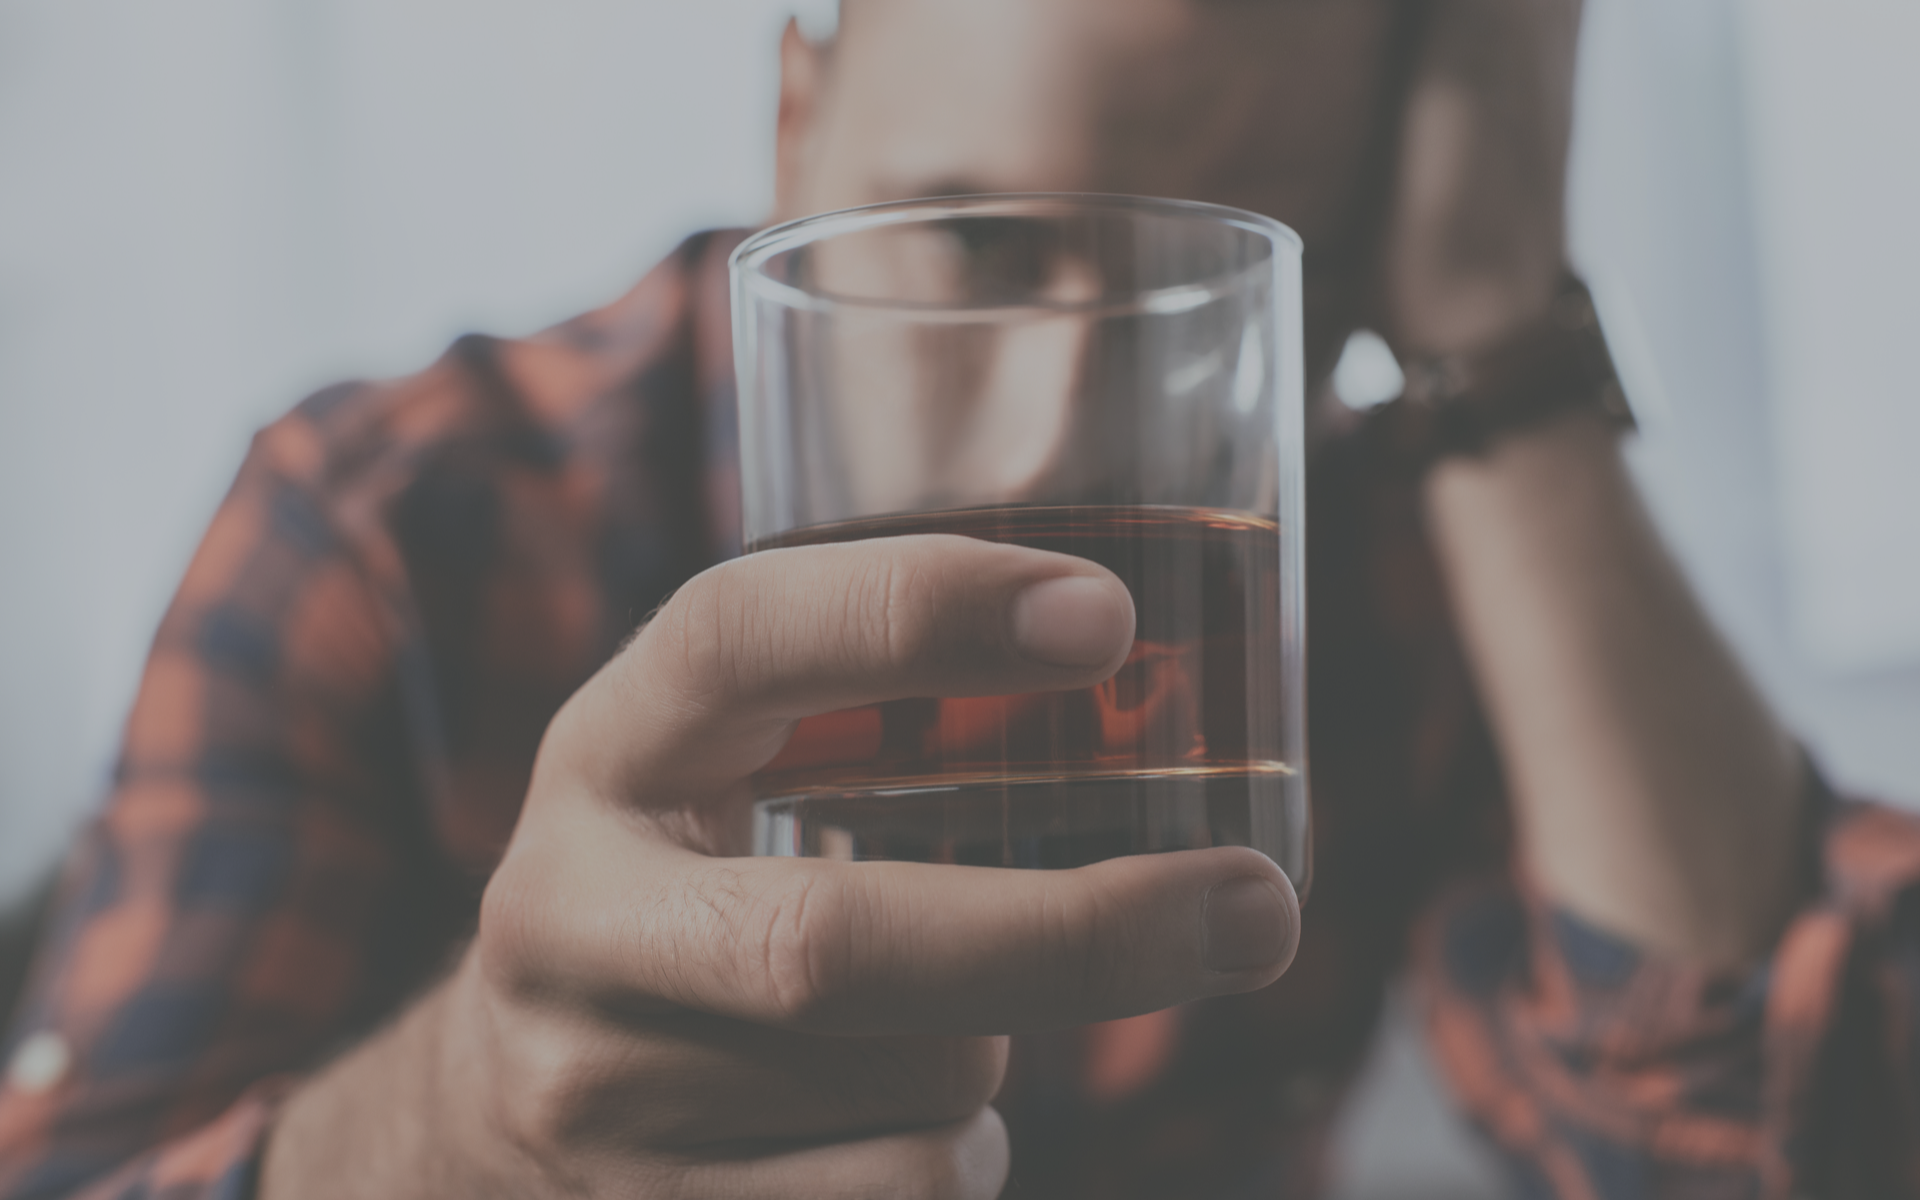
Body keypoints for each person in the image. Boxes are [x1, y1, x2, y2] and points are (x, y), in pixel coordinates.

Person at [2, 0, 1917, 1196]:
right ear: (793, 117)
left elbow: (1782, 1150)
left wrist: (1496, 328)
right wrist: (459, 1136)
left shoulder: (1376, 561)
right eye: (970, 240)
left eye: (1213, 303)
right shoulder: (387, 544)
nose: (1041, 447)